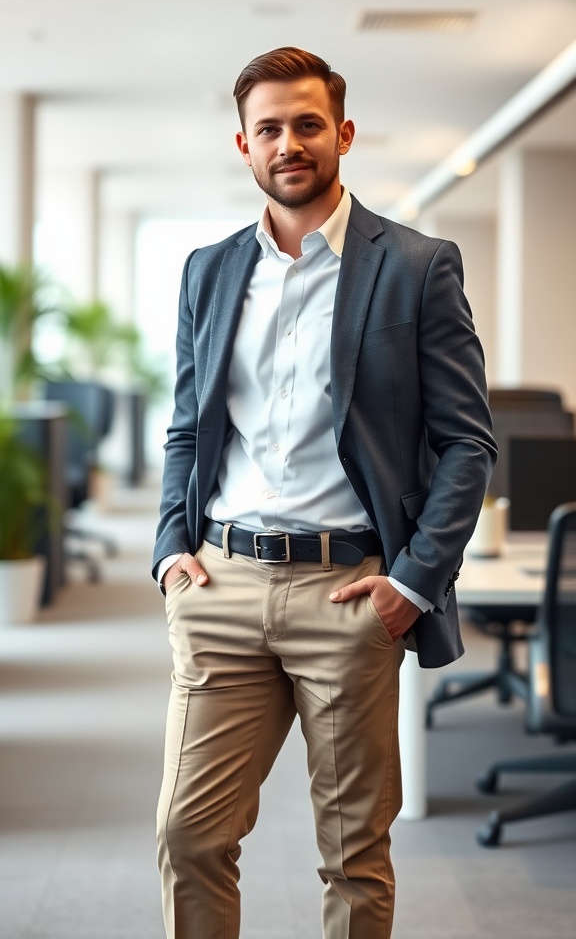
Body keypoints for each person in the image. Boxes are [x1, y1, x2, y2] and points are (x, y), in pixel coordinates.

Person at [153, 46, 497, 939]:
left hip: (348, 594)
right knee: (188, 835)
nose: (290, 143)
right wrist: (167, 554)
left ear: (342, 133)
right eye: (270, 128)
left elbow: (467, 443)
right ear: (244, 145)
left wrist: (413, 582)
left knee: (353, 855)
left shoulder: (417, 266)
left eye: (308, 124)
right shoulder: (209, 270)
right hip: (223, 584)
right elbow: (189, 425)